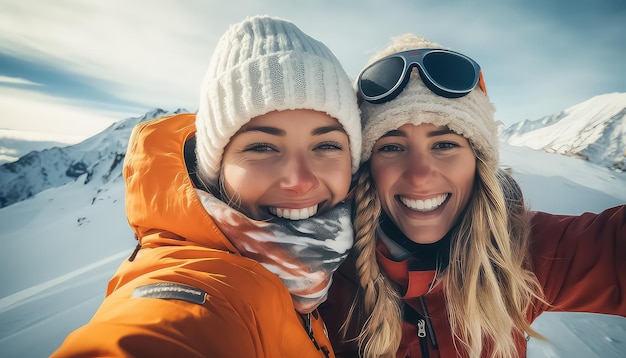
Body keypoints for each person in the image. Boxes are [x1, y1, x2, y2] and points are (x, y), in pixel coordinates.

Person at [52, 15, 362, 357]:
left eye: (327, 146)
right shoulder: (199, 296)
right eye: (261, 147)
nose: (300, 180)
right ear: (216, 168)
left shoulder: (337, 267)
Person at [318, 34, 626, 357]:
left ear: (478, 162)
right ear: (368, 167)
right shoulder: (323, 274)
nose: (420, 175)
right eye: (392, 147)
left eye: (445, 145)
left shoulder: (517, 252)